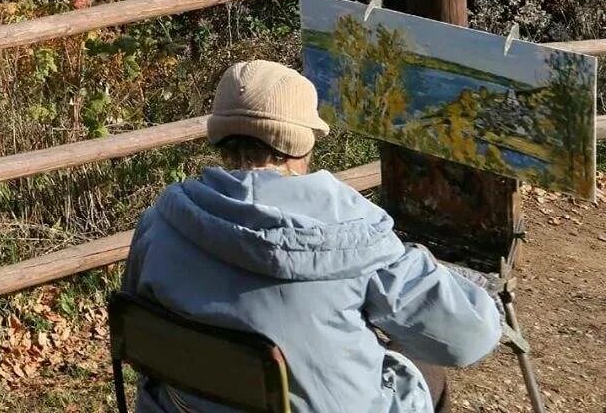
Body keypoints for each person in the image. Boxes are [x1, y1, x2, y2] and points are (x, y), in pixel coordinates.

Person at [122, 60, 502, 413]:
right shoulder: (354, 231)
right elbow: (468, 339)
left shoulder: (162, 221)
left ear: (219, 137)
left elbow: (138, 310)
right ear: (304, 143)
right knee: (423, 363)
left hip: (183, 406)